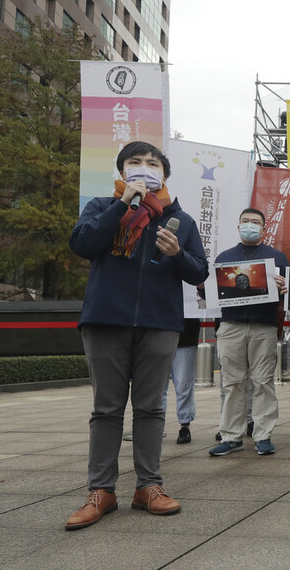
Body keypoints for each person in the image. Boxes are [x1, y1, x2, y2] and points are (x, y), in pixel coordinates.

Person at [66, 141, 208, 530]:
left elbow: (199, 273)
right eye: (135, 163)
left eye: (152, 163)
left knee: (150, 408)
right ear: (122, 171)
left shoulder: (180, 220)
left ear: (164, 174)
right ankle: (101, 492)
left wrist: (177, 253)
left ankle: (149, 486)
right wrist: (122, 205)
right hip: (105, 321)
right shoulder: (101, 206)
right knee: (106, 409)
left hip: (159, 323)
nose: (144, 168)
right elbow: (82, 243)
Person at [208, 209, 289, 457]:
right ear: (238, 225)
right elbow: (211, 292)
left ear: (264, 229)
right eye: (246, 222)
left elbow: (289, 291)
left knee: (263, 381)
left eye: (255, 223)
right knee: (232, 382)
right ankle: (232, 436)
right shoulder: (224, 257)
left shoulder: (276, 257)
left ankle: (263, 435)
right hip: (231, 326)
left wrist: (284, 286)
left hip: (263, 326)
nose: (250, 226)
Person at [165, 318, 201, 443]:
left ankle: (185, 424)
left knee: (184, 384)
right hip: (160, 331)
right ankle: (155, 423)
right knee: (157, 386)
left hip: (186, 331)